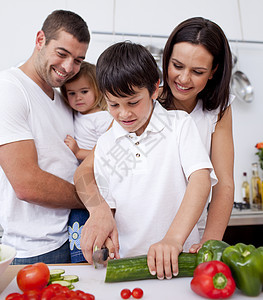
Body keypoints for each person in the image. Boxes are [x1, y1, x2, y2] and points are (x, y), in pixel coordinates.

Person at [93, 41, 217, 280]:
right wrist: (105, 236)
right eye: (113, 105)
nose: (124, 114)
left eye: (133, 102)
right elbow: (109, 207)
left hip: (179, 263)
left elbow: (201, 180)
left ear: (154, 90)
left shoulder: (179, 125)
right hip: (129, 267)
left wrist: (173, 239)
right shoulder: (105, 144)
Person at [0, 9, 94, 264]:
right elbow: (26, 184)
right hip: (33, 250)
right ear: (40, 39)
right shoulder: (10, 89)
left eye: (78, 60)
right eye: (62, 54)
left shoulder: (65, 98)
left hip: (71, 236)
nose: (68, 67)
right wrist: (93, 200)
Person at [158, 17, 235, 253]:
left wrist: (210, 243)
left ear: (213, 71)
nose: (183, 79)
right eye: (177, 66)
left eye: (197, 71)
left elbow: (223, 184)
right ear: (167, 59)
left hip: (193, 235)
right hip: (144, 233)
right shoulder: (145, 101)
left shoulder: (217, 110)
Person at [60, 61, 112, 262]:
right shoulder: (77, 115)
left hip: (97, 182)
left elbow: (106, 151)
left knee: (95, 223)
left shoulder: (102, 118)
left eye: (84, 91)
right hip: (81, 186)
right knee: (79, 226)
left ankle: (93, 260)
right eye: (71, 93)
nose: (78, 98)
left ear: (97, 90)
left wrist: (78, 151)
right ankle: (82, 258)